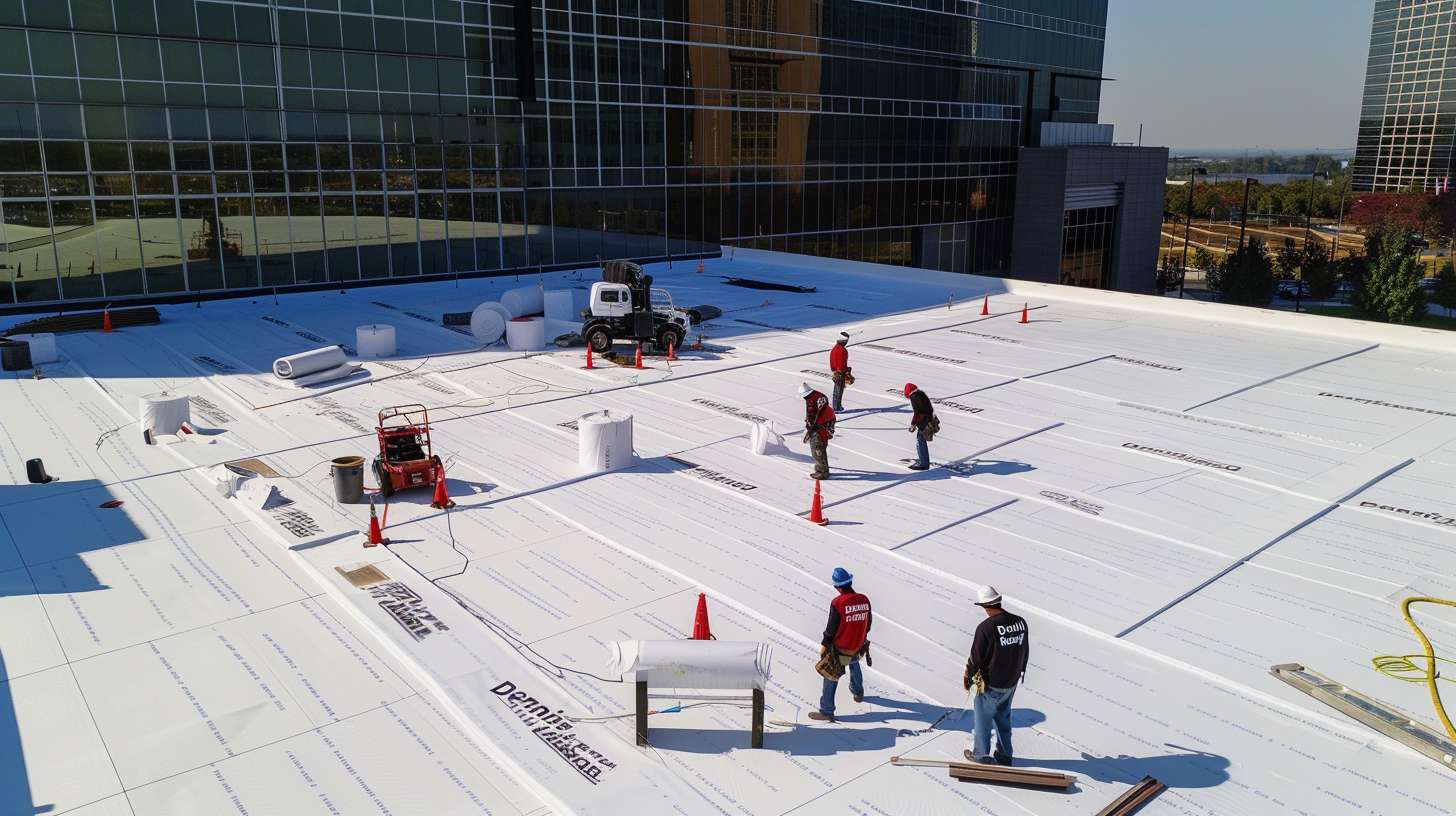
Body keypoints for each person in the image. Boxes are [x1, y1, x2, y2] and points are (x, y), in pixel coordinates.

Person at [962, 585, 1029, 766]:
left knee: (983, 721)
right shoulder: (1020, 622)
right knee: (1003, 718)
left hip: (992, 683)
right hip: (1012, 680)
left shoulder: (985, 628)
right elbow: (1025, 650)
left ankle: (981, 755)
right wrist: (1020, 672)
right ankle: (1005, 755)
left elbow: (976, 658)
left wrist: (968, 678)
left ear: (984, 605)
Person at [810, 567, 872, 722]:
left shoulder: (838, 603)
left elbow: (831, 629)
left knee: (831, 675)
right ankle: (858, 692)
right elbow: (869, 623)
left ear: (837, 586)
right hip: (858, 645)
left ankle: (827, 710)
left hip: (841, 649)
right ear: (850, 582)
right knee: (854, 661)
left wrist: (825, 644)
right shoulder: (864, 599)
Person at [799, 381, 835, 479]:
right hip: (827, 423)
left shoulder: (812, 401)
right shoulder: (818, 396)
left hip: (821, 427)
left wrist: (811, 429)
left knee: (817, 448)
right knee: (821, 446)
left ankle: (822, 472)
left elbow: (814, 416)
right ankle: (823, 467)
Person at [904, 382, 935, 470]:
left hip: (924, 423)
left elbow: (917, 412)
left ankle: (923, 463)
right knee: (921, 441)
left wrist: (913, 424)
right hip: (929, 420)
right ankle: (924, 461)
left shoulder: (913, 397)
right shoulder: (921, 393)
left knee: (920, 442)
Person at [829, 332, 851, 411]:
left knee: (836, 390)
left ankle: (836, 406)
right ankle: (837, 408)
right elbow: (842, 363)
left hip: (836, 371)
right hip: (840, 373)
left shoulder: (835, 348)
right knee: (839, 391)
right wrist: (846, 372)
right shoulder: (842, 350)